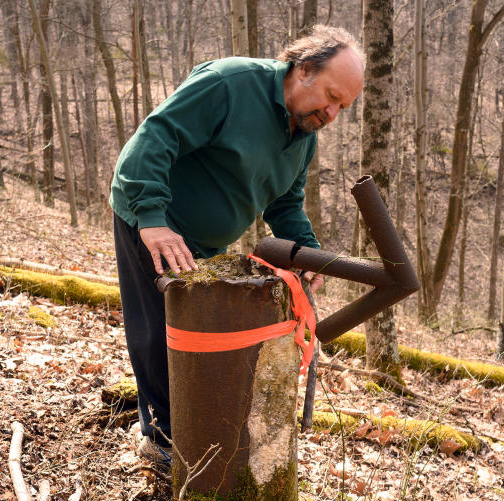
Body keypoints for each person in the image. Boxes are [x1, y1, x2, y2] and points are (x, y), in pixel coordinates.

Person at [110, 25, 364, 465]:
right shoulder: (230, 84)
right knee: (158, 332)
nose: (333, 113)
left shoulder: (302, 136)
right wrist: (151, 219)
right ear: (304, 70)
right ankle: (161, 437)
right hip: (155, 222)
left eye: (343, 105)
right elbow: (155, 137)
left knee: (198, 335)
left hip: (205, 242)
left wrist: (305, 251)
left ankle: (190, 426)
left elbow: (285, 204)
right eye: (331, 95)